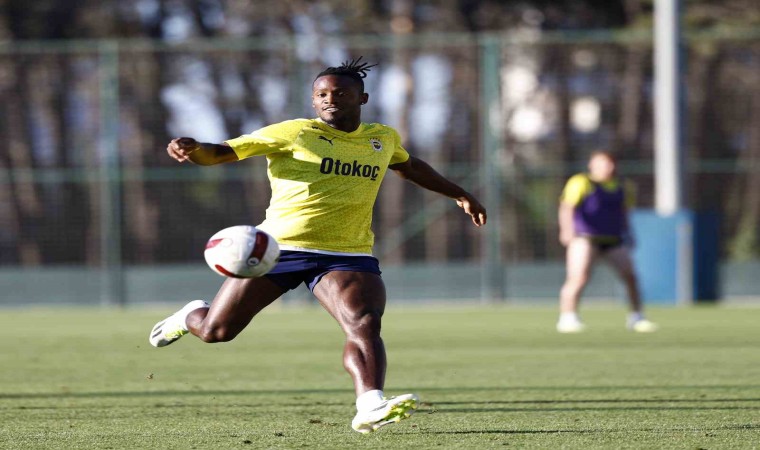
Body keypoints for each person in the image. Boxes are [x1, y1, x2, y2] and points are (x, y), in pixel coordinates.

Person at [148, 58, 487, 433]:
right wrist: (194, 148)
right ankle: (190, 314)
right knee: (216, 331)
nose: (329, 99)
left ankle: (370, 404)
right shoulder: (295, 132)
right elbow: (220, 153)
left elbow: (410, 166)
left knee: (363, 322)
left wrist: (460, 194)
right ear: (313, 101)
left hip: (347, 252)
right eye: (321, 94)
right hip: (278, 250)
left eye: (340, 93)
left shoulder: (382, 138)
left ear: (362, 98)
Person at [556, 150, 657, 333]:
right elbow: (567, 207)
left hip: (613, 239)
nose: (607, 167)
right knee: (578, 277)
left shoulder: (624, 186)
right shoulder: (581, 182)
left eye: (610, 163)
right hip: (585, 238)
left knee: (630, 276)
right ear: (592, 165)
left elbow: (624, 213)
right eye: (602, 162)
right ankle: (567, 317)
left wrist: (629, 234)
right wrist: (566, 230)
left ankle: (637, 317)